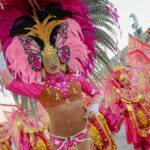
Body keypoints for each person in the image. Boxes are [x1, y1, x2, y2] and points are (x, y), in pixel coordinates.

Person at [0, 0, 119, 149]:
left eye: (55, 58)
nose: (53, 63)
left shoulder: (77, 79)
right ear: (41, 65)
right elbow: (9, 83)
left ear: (63, 58)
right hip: (58, 139)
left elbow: (96, 93)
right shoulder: (39, 88)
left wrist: (94, 106)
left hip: (82, 133)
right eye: (48, 60)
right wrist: (0, 54)